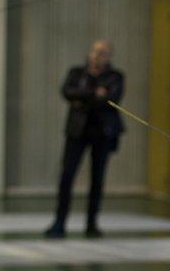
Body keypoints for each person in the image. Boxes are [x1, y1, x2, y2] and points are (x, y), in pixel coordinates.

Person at [45, 39, 125, 239]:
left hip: (103, 133)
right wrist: (94, 93)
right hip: (77, 132)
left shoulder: (115, 76)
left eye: (103, 53)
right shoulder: (77, 73)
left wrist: (82, 100)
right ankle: (59, 222)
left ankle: (92, 224)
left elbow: (111, 99)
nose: (98, 56)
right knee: (67, 176)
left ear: (109, 57)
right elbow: (67, 92)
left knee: (97, 179)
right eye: (95, 51)